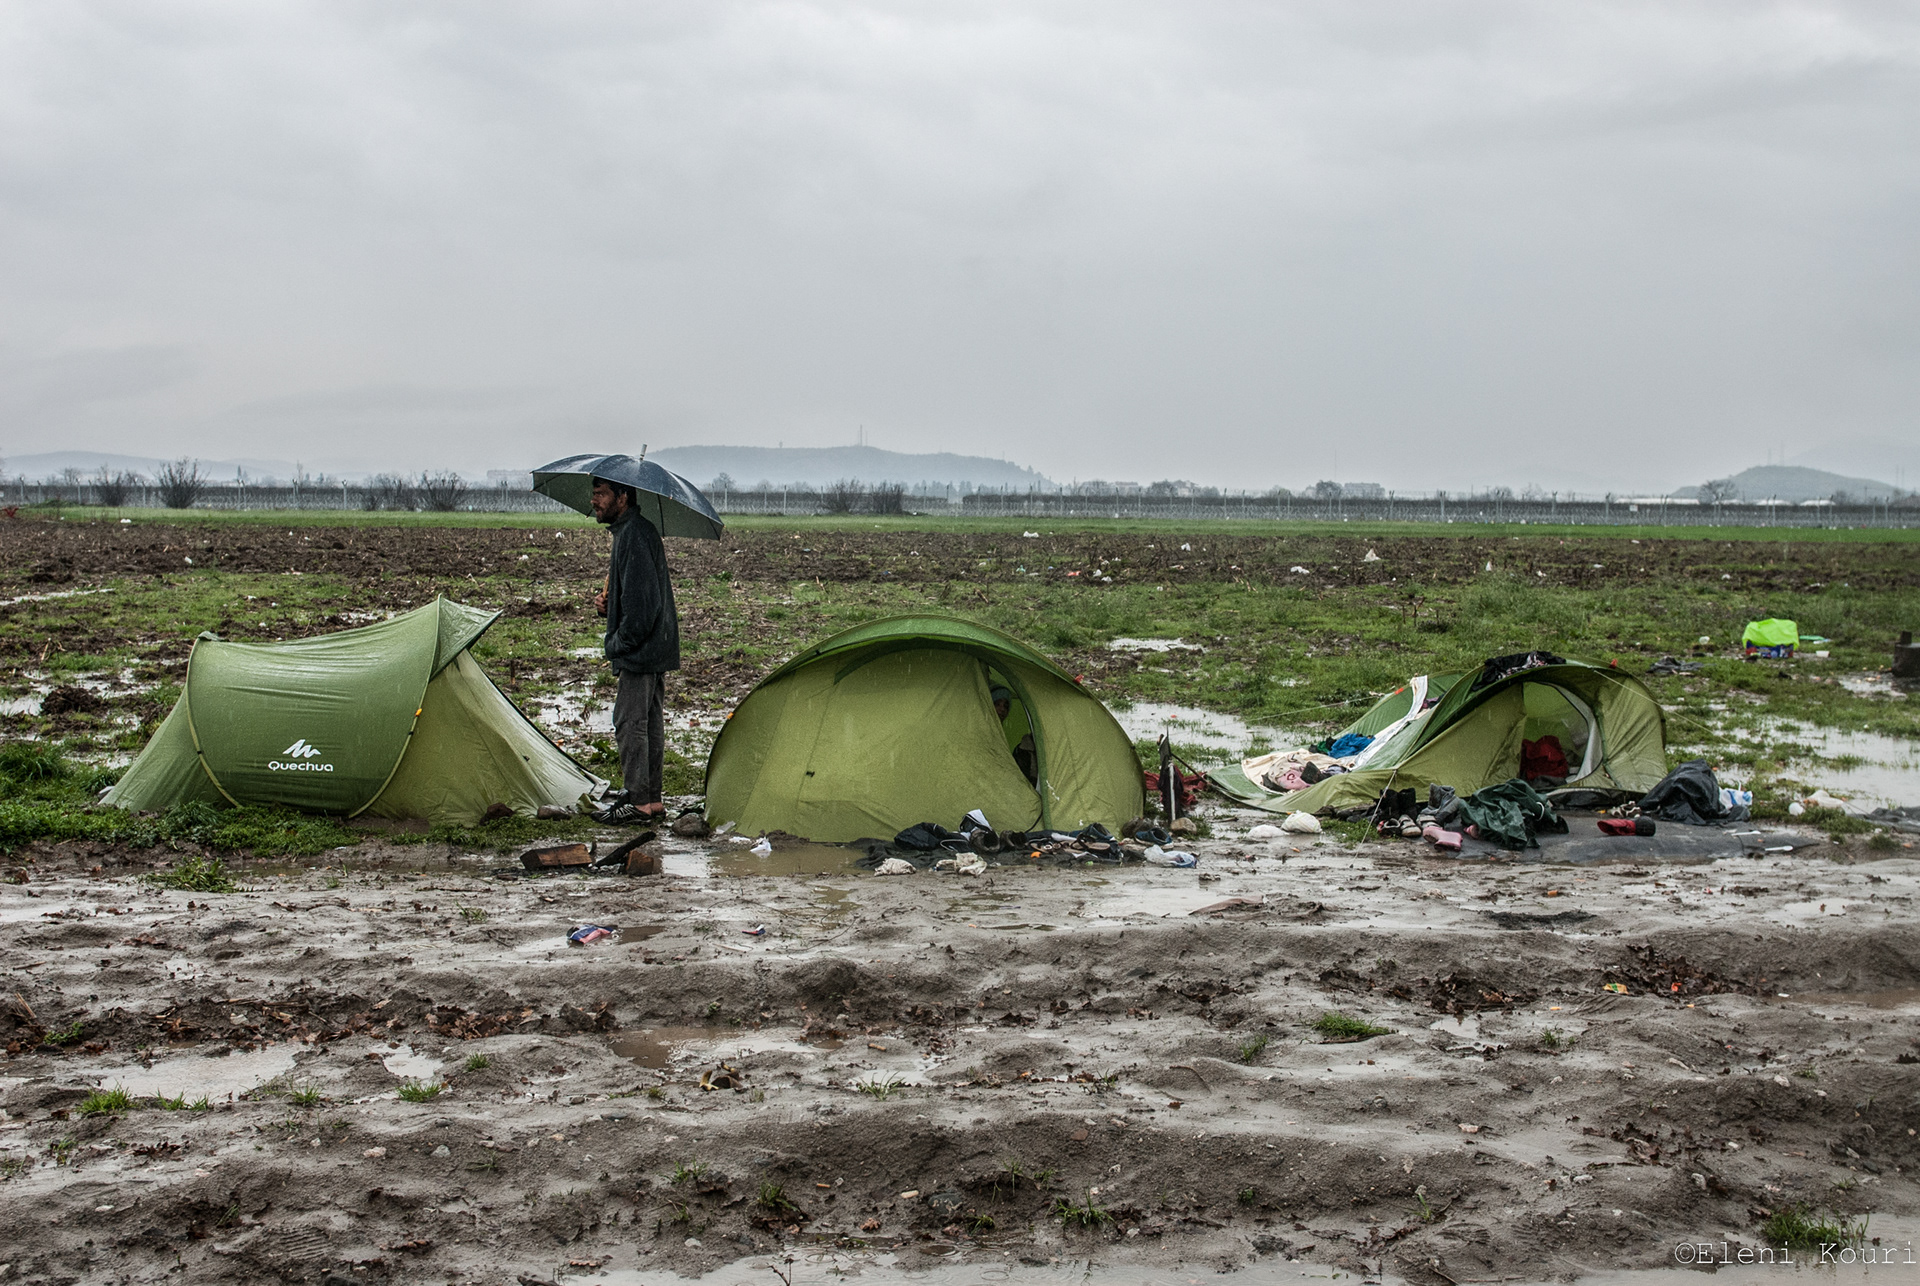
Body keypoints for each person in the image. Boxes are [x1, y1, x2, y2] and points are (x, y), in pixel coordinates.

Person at [590, 476, 680, 823]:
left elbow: (643, 608)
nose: (594, 502)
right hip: (654, 646)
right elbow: (634, 598)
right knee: (649, 723)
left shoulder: (634, 536)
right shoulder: (631, 532)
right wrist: (608, 606)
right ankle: (651, 801)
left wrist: (616, 643)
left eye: (600, 494)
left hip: (641, 649)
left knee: (630, 723)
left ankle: (639, 802)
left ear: (622, 497)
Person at [991, 684, 1037, 784]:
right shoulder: (981, 727)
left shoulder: (1000, 732)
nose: (1002, 709)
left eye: (1005, 706)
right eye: (997, 704)